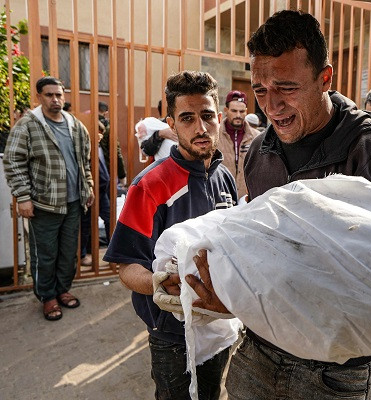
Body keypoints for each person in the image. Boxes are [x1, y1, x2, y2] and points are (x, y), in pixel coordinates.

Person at [184, 10, 371, 399]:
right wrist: (230, 291)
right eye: (260, 90)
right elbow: (259, 250)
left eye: (287, 87)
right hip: (257, 353)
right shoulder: (259, 153)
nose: (272, 107)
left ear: (325, 77)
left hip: (334, 369)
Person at [103, 71, 239, 400]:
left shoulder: (225, 178)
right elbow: (125, 265)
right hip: (172, 334)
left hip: (219, 323)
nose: (200, 127)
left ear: (219, 118)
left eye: (207, 116)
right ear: (172, 124)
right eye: (187, 118)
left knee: (210, 394)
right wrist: (158, 282)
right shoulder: (149, 185)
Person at [3, 76, 94, 321]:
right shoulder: (28, 125)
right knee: (45, 254)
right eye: (49, 95)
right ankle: (48, 296)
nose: (55, 99)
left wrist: (88, 187)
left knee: (68, 252)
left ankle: (62, 290)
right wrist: (23, 197)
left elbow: (84, 161)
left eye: (59, 95)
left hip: (73, 202)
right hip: (44, 203)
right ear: (39, 97)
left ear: (64, 96)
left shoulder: (75, 125)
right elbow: (13, 161)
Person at [80, 120, 111, 267]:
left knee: (110, 219)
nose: (100, 136)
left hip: (102, 191)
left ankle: (113, 252)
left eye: (102, 133)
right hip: (90, 191)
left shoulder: (100, 146)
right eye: (98, 132)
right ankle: (82, 255)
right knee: (86, 224)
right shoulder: (86, 146)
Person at [219, 90, 260, 199]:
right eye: (234, 111)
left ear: (246, 111)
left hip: (246, 198)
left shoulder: (257, 137)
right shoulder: (214, 135)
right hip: (220, 195)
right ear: (226, 110)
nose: (238, 115)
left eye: (242, 111)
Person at [98, 101, 127, 187]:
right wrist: (122, 175)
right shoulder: (109, 127)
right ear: (106, 112)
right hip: (106, 170)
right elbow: (116, 152)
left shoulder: (86, 123)